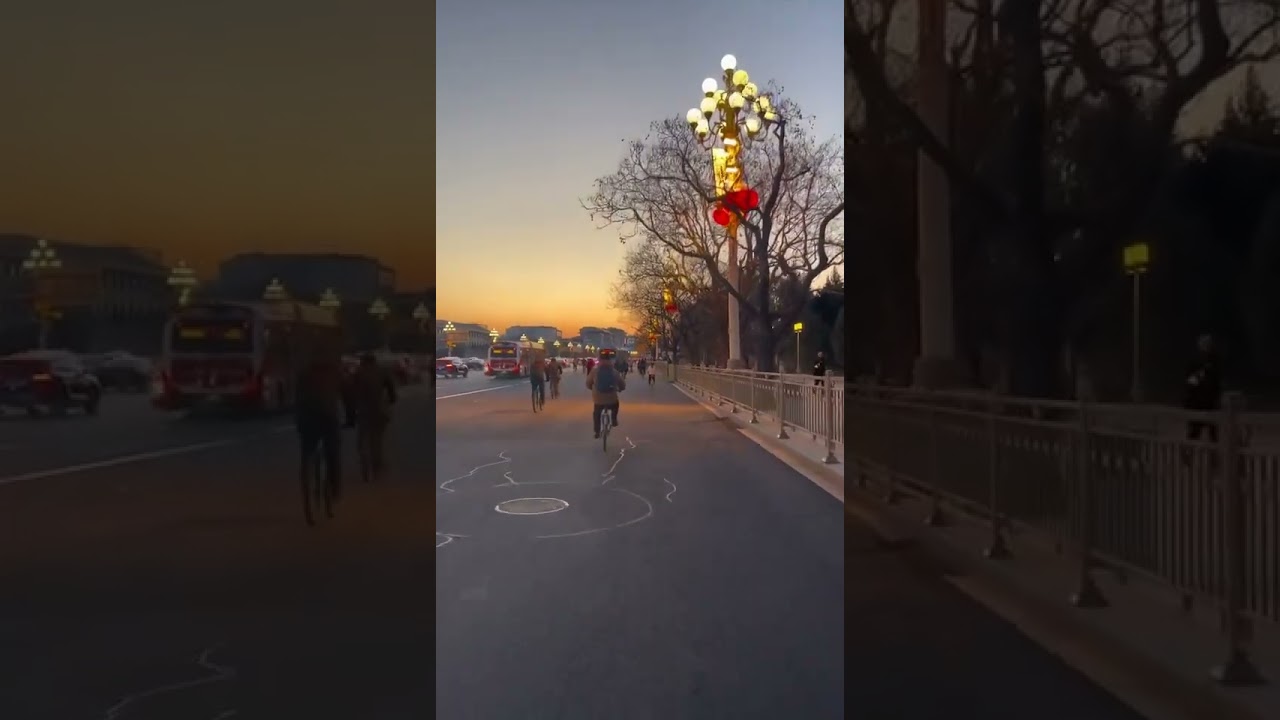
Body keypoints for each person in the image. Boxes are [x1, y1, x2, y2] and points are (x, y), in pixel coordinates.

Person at [295, 350, 346, 499]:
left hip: (307, 419)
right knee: (333, 452)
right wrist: (350, 417)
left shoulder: (303, 375)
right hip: (328, 418)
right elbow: (347, 393)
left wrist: (299, 421)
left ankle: (306, 473)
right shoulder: (334, 374)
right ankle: (335, 490)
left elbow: (298, 399)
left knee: (307, 449)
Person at [351, 353, 397, 478]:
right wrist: (391, 400)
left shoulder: (358, 373)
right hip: (379, 409)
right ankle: (376, 466)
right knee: (376, 439)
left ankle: (365, 464)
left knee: (362, 439)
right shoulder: (382, 371)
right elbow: (392, 391)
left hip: (363, 410)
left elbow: (351, 391)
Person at [1184, 334, 1221, 443]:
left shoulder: (1215, 360)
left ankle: (1214, 458)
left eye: (1209, 343)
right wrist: (1201, 374)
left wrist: (1217, 398)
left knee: (1213, 434)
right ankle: (1187, 456)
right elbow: (1190, 381)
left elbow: (1217, 382)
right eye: (1204, 343)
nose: (1207, 346)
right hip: (1197, 402)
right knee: (1194, 433)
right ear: (1199, 345)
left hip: (1210, 403)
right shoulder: (1194, 361)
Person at [586, 349, 625, 438]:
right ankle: (614, 420)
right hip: (611, 398)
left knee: (596, 413)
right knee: (616, 405)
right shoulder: (614, 371)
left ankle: (597, 432)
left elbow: (588, 382)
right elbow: (621, 383)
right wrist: (621, 389)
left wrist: (591, 388)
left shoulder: (595, 370)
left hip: (598, 398)